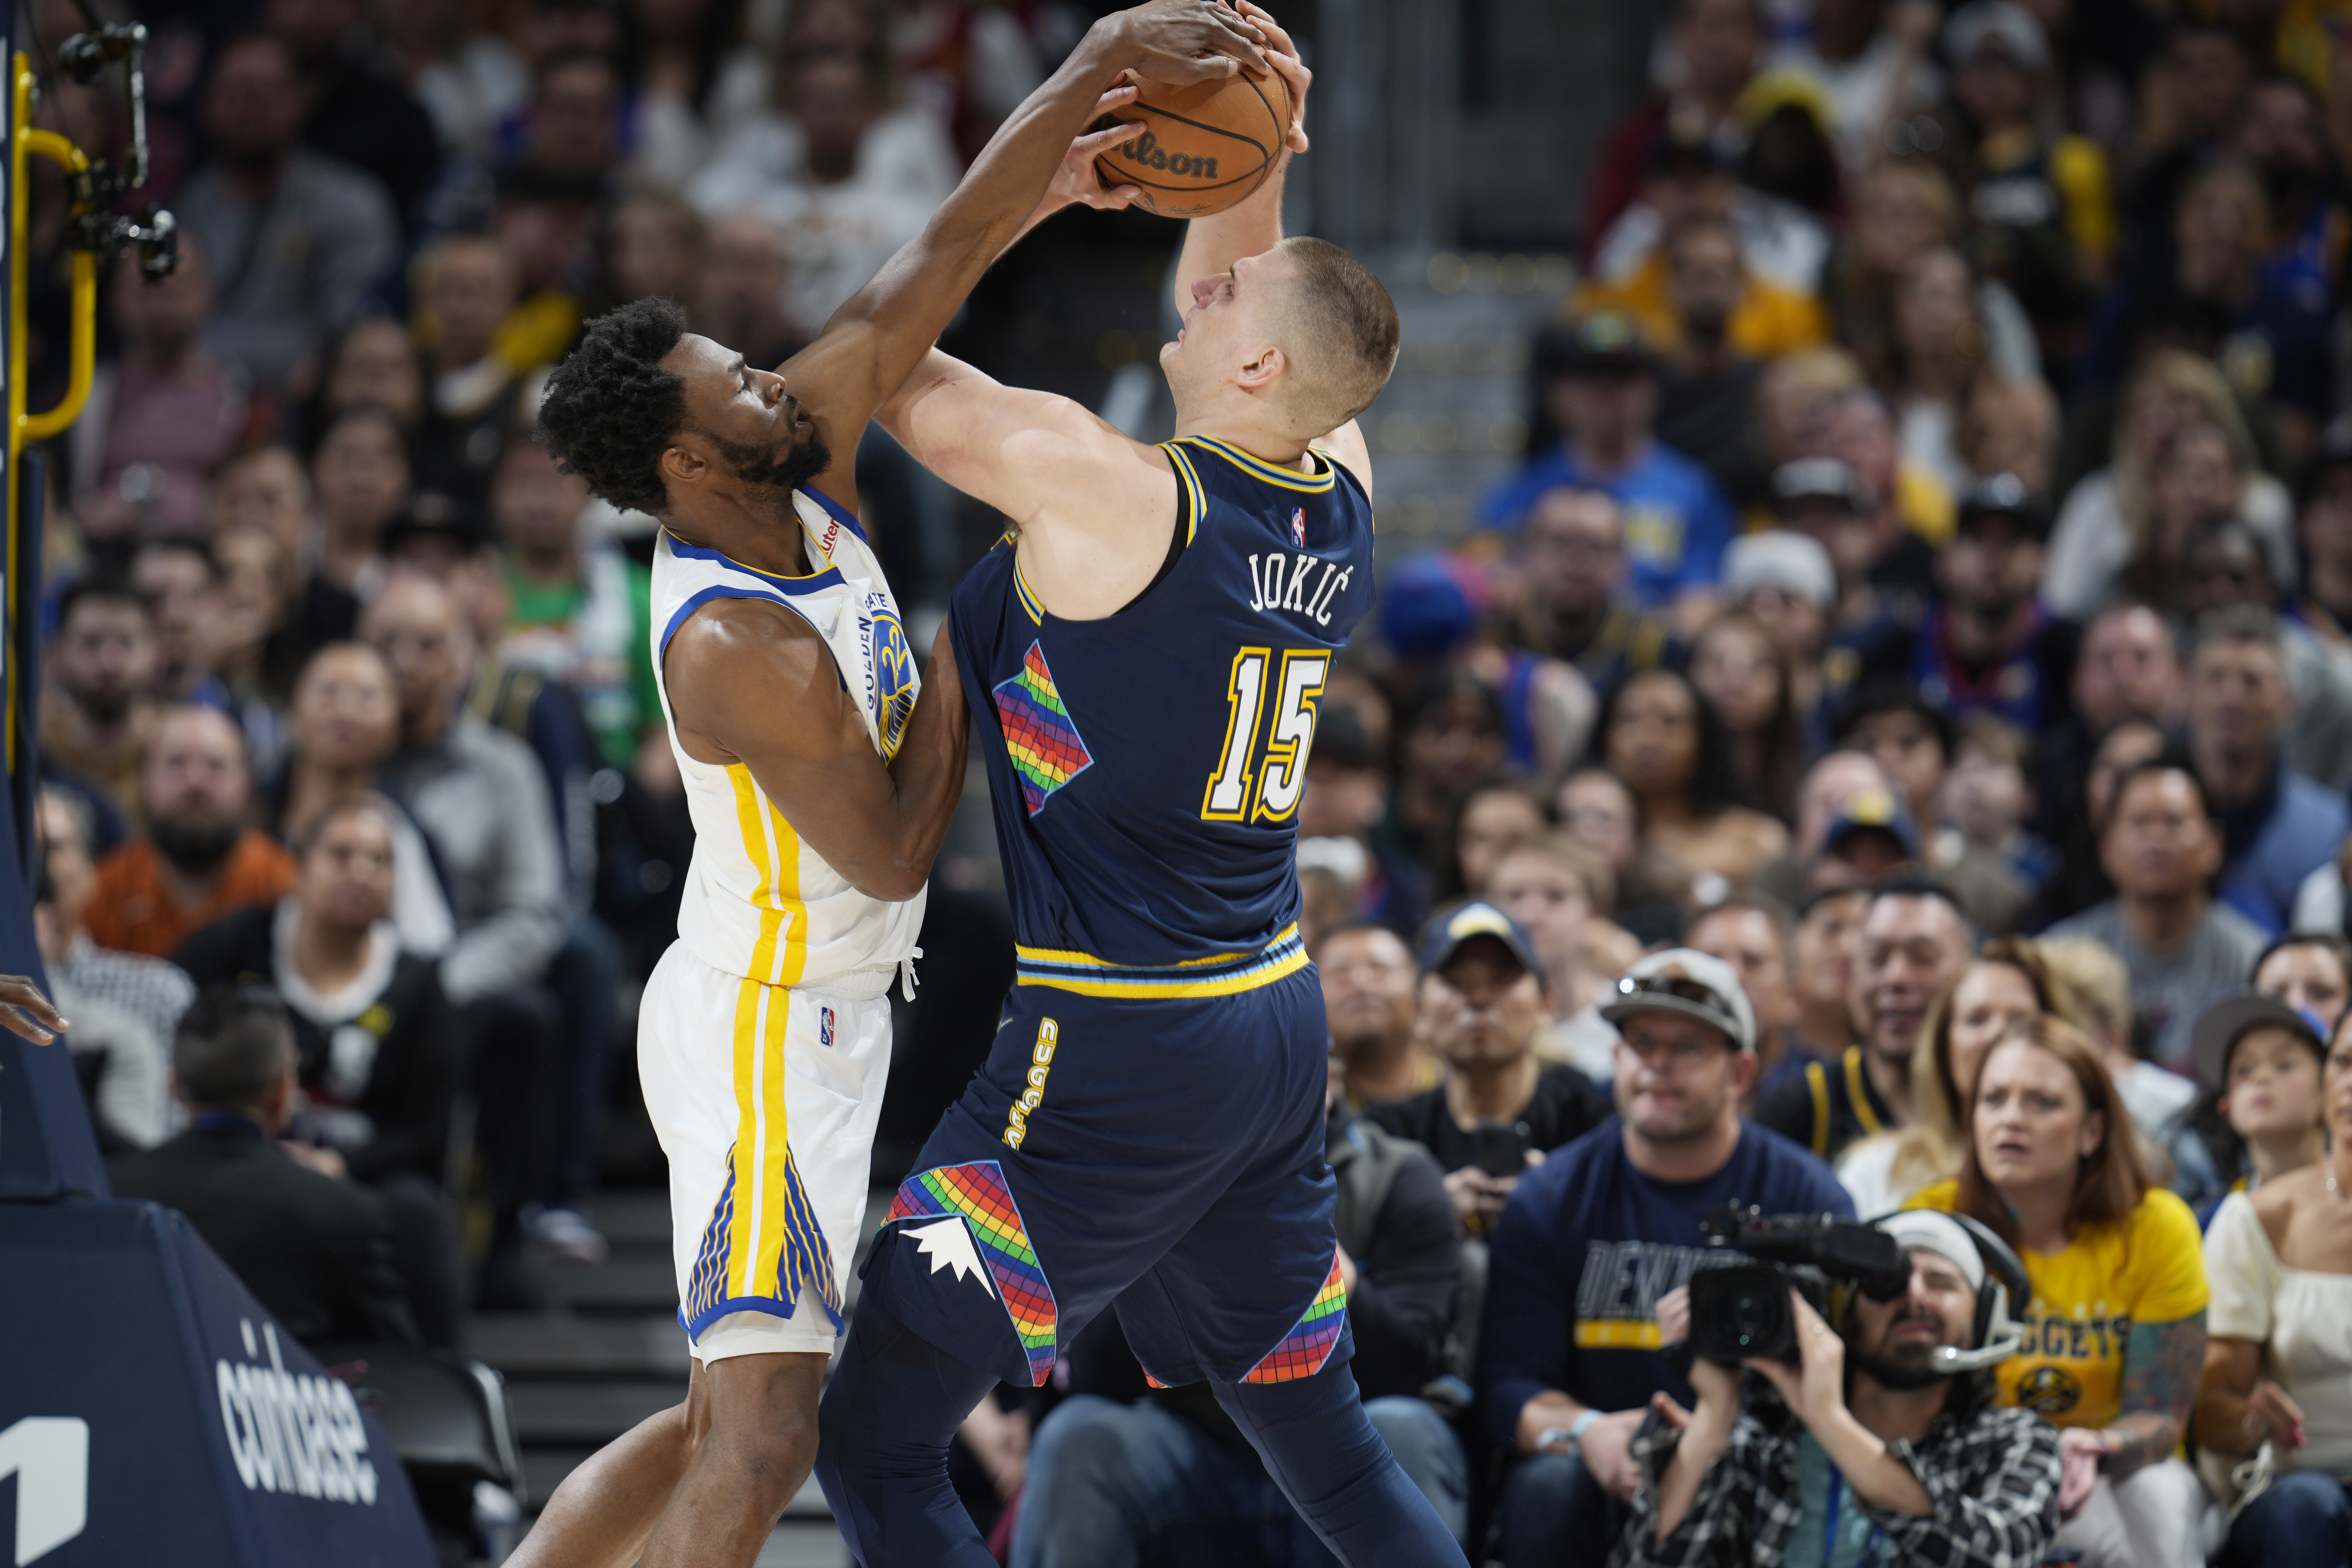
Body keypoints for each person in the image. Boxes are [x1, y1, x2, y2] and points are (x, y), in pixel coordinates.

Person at [509, 9, 1281, 1567]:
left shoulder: (792, 452)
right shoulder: (733, 643)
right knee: (762, 1442)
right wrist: (977, 631)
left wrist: (1087, 86)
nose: (770, 379)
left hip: (835, 1008)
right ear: (681, 465)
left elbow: (931, 254)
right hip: (761, 1031)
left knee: (718, 1417)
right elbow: (890, 843)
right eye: (732, 382)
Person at [812, 7, 1469, 1558]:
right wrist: (1262, 152)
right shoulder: (1340, 492)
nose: (1196, 277)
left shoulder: (1104, 489)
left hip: (1112, 1050)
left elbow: (871, 355)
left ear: (1249, 359)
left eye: (1223, 287)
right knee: (1323, 1437)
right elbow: (1246, 288)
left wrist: (1026, 183)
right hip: (1261, 1022)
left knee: (875, 1441)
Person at [1479, 948, 1853, 1568]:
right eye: (1640, 1041)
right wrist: (1586, 1431)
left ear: (1740, 1072)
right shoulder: (1553, 1197)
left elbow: (1843, 1381)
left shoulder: (1809, 1199)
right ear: (1616, 1056)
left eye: (1687, 1047)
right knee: (1546, 1483)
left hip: (1760, 1463)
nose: (1657, 1064)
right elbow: (1509, 1385)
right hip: (1606, 1465)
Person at [1015, 1078, 1472, 1562]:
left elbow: (1413, 1365)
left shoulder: (1397, 1174)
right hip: (1198, 1448)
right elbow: (1094, 1375)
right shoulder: (1149, 1184)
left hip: (1345, 1439)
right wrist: (1158, 1251)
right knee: (1078, 1437)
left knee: (1408, 1429)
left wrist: (1326, 1271)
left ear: (1324, 1084)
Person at [1908, 1016, 2209, 1568]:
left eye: (2042, 1103)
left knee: (2156, 1497)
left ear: (2092, 1131)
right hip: (1978, 1459)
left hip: (2120, 1465)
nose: (2011, 1119)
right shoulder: (1931, 1226)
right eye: (1993, 1099)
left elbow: (2162, 1414)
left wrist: (2095, 1447)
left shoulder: (2157, 1227)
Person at [1616, 1209, 2061, 1568]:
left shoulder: (2016, 1440)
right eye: (1885, 1286)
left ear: (1984, 1319)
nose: (1914, 1297)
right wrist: (1715, 1412)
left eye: (1941, 1282)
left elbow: (2003, 1554)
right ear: (1845, 1316)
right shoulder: (1767, 1439)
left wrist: (1829, 1420)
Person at [107, 985, 419, 1349]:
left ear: (174, 1087)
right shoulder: (345, 1213)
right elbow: (400, 1370)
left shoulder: (111, 1195)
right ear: (283, 1092)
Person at [2196, 1002, 2352, 1568]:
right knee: (2308, 1507)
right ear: (2326, 1086)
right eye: (2344, 1061)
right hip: (2301, 1491)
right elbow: (2211, 1410)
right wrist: (2250, 1417)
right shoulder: (2254, 1219)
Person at [1478, 311, 1738, 627]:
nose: (1605, 394)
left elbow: (1701, 605)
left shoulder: (1695, 494)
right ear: (1562, 394)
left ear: (1652, 392)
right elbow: (1484, 585)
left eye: (1621, 380)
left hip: (1651, 659)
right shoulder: (1522, 492)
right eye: (1590, 381)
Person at [1367, 904, 1609, 1238]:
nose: (1479, 999)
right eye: (1455, 983)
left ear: (1546, 1004)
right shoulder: (1387, 1139)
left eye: (1502, 980)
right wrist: (1428, 1210)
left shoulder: (1595, 1125)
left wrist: (1560, 1199)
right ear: (1418, 1012)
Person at [178, 33, 400, 390]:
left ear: (301, 100)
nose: (249, 109)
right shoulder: (191, 203)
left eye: (264, 93)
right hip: (195, 393)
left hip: (304, 396)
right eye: (235, 92)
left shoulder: (351, 204)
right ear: (209, 103)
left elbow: (352, 328)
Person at [2044, 758, 2268, 1067]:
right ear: (2106, 847)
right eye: (2139, 823)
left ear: (2213, 845)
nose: (2156, 840)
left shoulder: (2252, 961)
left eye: (2175, 822)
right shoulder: (2060, 957)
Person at [1837, 936, 2074, 1217]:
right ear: (1943, 1045)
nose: (1996, 1036)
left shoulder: (2091, 1185)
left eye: (2019, 1022)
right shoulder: (1874, 1171)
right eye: (1976, 1019)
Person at [1756, 876, 1975, 1164]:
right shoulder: (1802, 1109)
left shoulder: (1995, 1106)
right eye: (1876, 957)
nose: (1896, 978)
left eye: (1923, 957)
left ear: (1969, 973)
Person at [85, 707, 299, 960]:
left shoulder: (286, 885)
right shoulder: (102, 893)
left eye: (216, 765)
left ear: (247, 782)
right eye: (176, 763)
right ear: (143, 779)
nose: (195, 782)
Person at [2185, 606, 2349, 934]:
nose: (2231, 697)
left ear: (2289, 704)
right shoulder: (2152, 817)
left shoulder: (2328, 831)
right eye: (2215, 677)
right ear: (2188, 694)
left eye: (2252, 682)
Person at [1598, 668, 1789, 900]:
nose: (1648, 737)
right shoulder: (1585, 835)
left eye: (1669, 722)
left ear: (1703, 738)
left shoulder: (1755, 839)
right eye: (1630, 720)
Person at [2177, 992, 2329, 1222]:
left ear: (2327, 1094)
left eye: (2284, 1065)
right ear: (2227, 1109)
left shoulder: (2342, 1197)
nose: (2261, 1076)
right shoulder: (2218, 1222)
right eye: (2244, 1069)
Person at [1685, 893, 1828, 1106]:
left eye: (1752, 962)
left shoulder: (1828, 1095)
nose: (1731, 976)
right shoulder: (1653, 1089)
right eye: (1711, 962)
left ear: (1792, 997)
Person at [42, 579, 162, 824]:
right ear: (59, 653)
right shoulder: (39, 750)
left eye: (126, 642)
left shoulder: (178, 747)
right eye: (91, 643)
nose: (110, 663)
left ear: (155, 652)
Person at [1321, 921, 1434, 1109]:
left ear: (1418, 990)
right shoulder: (1310, 1106)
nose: (1360, 981)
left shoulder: (1459, 1081)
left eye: (1379, 967)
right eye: (1340, 971)